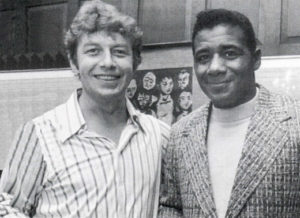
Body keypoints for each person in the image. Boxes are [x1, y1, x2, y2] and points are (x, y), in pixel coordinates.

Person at [0, 1, 169, 217]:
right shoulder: (39, 136)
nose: (108, 62)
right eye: (93, 51)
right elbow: (7, 210)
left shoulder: (160, 136)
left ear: (135, 62)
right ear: (73, 62)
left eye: (119, 52)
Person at [159, 8, 300, 218]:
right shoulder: (180, 134)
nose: (215, 67)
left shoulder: (294, 121)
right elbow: (172, 206)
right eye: (203, 57)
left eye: (230, 53)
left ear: (256, 59)